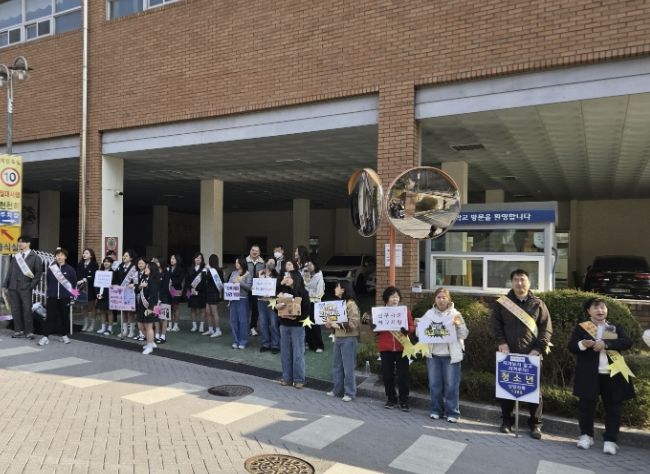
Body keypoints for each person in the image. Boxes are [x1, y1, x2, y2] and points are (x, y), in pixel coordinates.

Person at [568, 297, 635, 455]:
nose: (600, 310)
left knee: (613, 408)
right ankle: (586, 436)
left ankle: (610, 440)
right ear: (589, 311)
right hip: (589, 375)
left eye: (603, 307)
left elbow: (627, 342)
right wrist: (582, 344)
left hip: (612, 374)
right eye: (596, 307)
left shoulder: (612, 328)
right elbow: (571, 346)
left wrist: (607, 344)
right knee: (586, 407)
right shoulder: (582, 328)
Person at [493, 269, 553, 439]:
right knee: (507, 388)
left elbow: (546, 329)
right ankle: (507, 421)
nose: (519, 283)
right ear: (511, 283)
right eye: (516, 280)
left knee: (533, 390)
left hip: (531, 354)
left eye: (522, 279)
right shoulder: (502, 303)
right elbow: (496, 325)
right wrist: (501, 342)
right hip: (508, 353)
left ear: (529, 282)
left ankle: (535, 425)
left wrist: (538, 349)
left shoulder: (538, 304)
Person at [418, 287, 468, 421]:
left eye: (444, 297)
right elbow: (420, 333)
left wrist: (458, 326)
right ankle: (436, 410)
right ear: (435, 299)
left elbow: (464, 334)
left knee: (451, 386)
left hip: (451, 356)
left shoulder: (455, 314)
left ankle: (452, 413)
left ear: (449, 299)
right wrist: (419, 326)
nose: (441, 300)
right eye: (439, 297)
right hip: (433, 356)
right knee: (434, 385)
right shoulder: (429, 314)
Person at [373, 286, 414, 411]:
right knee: (387, 375)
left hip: (402, 347)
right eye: (392, 297)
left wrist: (407, 330)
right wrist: (373, 326)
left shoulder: (404, 311)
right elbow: (376, 330)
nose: (395, 299)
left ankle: (404, 401)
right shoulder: (380, 312)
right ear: (386, 298)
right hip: (386, 348)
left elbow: (411, 326)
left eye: (397, 297)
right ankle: (391, 399)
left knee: (403, 376)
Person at [326, 280, 361, 401]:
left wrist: (336, 325)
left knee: (348, 367)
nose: (335, 289)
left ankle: (350, 393)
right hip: (338, 337)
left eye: (337, 287)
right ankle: (338, 390)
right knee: (337, 366)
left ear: (343, 289)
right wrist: (330, 324)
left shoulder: (351, 304)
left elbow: (354, 323)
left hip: (348, 339)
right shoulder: (340, 303)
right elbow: (336, 322)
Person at [277, 260, 310, 388]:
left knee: (298, 354)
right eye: (286, 277)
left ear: (295, 279)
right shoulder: (282, 290)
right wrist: (277, 307)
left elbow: (306, 312)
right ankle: (286, 378)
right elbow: (276, 306)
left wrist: (295, 315)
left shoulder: (303, 293)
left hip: (297, 327)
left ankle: (299, 380)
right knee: (285, 353)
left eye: (289, 277)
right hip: (284, 325)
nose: (286, 279)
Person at [3, 235, 43, 340]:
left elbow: (38, 274)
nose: (20, 244)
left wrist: (31, 286)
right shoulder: (16, 257)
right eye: (19, 242)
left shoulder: (35, 257)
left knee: (27, 310)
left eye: (22, 242)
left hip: (25, 288)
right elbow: (10, 272)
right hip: (13, 287)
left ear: (28, 243)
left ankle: (29, 332)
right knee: (15, 310)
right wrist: (5, 285)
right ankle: (18, 330)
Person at [38, 248, 77, 346]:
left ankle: (64, 335)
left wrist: (73, 296)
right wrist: (51, 292)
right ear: (55, 257)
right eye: (57, 255)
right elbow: (48, 282)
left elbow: (73, 284)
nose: (59, 257)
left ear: (65, 257)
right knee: (50, 317)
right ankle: (45, 336)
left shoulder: (70, 269)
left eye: (62, 255)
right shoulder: (51, 269)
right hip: (52, 297)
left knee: (64, 317)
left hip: (65, 297)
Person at [228, 256, 253, 349]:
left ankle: (243, 341)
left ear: (242, 263)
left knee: (243, 321)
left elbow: (249, 287)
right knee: (233, 321)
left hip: (243, 299)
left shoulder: (248, 274)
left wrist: (239, 282)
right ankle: (235, 340)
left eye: (237, 262)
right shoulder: (233, 273)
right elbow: (229, 284)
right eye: (235, 262)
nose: (236, 264)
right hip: (233, 299)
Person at [257, 258, 280, 353]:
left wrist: (272, 294)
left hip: (272, 301)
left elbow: (279, 289)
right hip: (261, 301)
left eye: (273, 263)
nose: (271, 264)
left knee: (273, 323)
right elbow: (255, 285)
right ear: (266, 263)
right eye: (270, 262)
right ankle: (265, 344)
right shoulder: (259, 273)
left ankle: (275, 345)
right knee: (263, 323)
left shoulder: (276, 275)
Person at [137, 261, 161, 355]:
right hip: (141, 306)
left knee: (149, 326)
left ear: (152, 269)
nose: (145, 269)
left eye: (147, 267)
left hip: (150, 306)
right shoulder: (143, 278)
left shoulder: (154, 280)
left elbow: (154, 296)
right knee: (140, 325)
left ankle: (150, 346)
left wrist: (150, 308)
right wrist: (140, 286)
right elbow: (137, 290)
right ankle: (150, 342)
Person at [113, 249, 138, 338]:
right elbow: (115, 278)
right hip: (121, 291)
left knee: (130, 312)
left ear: (131, 258)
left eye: (126, 256)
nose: (124, 257)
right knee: (123, 311)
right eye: (123, 255)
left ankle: (131, 331)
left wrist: (133, 285)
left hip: (130, 292)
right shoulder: (120, 266)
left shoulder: (134, 267)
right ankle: (124, 330)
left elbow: (136, 280)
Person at [304, 260, 325, 353]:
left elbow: (319, 292)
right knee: (307, 323)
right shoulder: (306, 274)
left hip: (315, 302)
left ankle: (319, 345)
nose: (309, 266)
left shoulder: (319, 276)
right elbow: (304, 287)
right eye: (307, 265)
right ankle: (309, 343)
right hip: (306, 302)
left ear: (315, 265)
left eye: (311, 265)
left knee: (315, 324)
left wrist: (309, 293)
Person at [77, 248, 99, 332]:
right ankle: (85, 323)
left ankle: (92, 324)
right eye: (84, 253)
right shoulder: (80, 264)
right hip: (82, 288)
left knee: (92, 307)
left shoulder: (94, 265)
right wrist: (80, 281)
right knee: (84, 306)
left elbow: (94, 276)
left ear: (91, 255)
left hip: (91, 288)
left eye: (86, 253)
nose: (84, 254)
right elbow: (78, 274)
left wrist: (85, 279)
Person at [185, 252, 207, 333]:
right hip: (192, 292)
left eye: (200, 258)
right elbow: (187, 281)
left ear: (202, 259)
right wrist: (191, 289)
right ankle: (194, 326)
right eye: (197, 257)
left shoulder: (204, 269)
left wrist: (198, 290)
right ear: (194, 259)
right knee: (193, 309)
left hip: (201, 292)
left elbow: (204, 281)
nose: (198, 259)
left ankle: (201, 326)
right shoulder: (190, 269)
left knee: (202, 309)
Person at [246, 245, 265, 336]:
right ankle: (244, 326)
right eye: (253, 250)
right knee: (245, 308)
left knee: (255, 309)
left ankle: (253, 327)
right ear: (250, 251)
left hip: (257, 289)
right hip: (245, 288)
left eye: (256, 251)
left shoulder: (262, 263)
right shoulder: (245, 261)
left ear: (259, 252)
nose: (254, 252)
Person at [204, 254, 225, 338]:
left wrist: (208, 270)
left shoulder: (218, 270)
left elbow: (220, 281)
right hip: (208, 292)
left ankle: (218, 330)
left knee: (214, 312)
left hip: (214, 293)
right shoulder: (210, 270)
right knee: (208, 311)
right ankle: (210, 329)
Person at [95, 257, 114, 335]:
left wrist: (106, 293)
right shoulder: (100, 272)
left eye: (108, 262)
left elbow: (114, 284)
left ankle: (110, 329)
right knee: (101, 311)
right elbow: (96, 284)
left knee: (109, 311)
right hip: (100, 294)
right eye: (105, 262)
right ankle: (103, 327)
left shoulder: (113, 272)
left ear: (111, 263)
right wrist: (97, 293)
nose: (106, 263)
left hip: (109, 295)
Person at [167, 254, 184, 332]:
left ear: (177, 260)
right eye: (171, 258)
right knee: (169, 307)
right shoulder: (168, 268)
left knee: (176, 307)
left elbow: (180, 280)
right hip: (169, 290)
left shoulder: (180, 269)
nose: (172, 260)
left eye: (173, 259)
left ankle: (176, 325)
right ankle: (170, 324)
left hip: (176, 290)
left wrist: (172, 282)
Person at [132, 257, 148, 341]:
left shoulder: (148, 273)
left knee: (145, 317)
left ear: (146, 264)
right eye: (139, 263)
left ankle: (145, 334)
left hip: (145, 298)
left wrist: (137, 286)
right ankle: (141, 333)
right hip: (137, 296)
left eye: (142, 263)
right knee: (139, 316)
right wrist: (135, 286)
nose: (140, 265)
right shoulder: (135, 274)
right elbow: (135, 286)